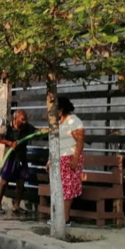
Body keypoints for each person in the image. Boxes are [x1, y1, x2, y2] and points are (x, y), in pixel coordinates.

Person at [46, 97, 85, 227]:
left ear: (61, 110)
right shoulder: (59, 122)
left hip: (70, 158)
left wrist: (75, 159)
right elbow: (56, 143)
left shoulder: (74, 121)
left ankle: (65, 219)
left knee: (67, 190)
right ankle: (58, 217)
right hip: (59, 159)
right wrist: (50, 159)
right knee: (58, 189)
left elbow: (80, 141)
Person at [0, 110, 39, 215]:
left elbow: (36, 132)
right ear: (16, 118)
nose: (24, 122)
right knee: (4, 182)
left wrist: (45, 131)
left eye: (25, 119)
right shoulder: (7, 128)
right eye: (22, 119)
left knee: (21, 183)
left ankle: (16, 206)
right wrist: (9, 143)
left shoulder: (27, 127)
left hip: (21, 158)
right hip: (9, 158)